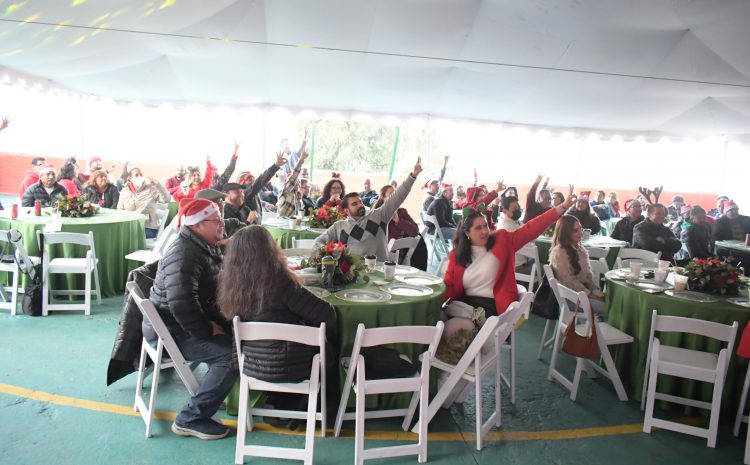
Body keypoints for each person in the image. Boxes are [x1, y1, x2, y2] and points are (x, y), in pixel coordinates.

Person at [147, 198, 237, 440]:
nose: (222, 223)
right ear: (197, 225)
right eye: (216, 219)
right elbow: (181, 303)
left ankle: (215, 392)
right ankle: (191, 418)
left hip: (179, 323)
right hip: (173, 331)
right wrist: (208, 329)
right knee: (232, 357)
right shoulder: (185, 253)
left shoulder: (199, 245)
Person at [218, 225, 336, 385]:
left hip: (251, 365)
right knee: (330, 341)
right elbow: (327, 314)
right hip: (293, 366)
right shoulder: (280, 282)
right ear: (269, 251)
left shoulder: (230, 285)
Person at [444, 185, 575, 317]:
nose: (484, 231)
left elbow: (532, 228)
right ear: (467, 232)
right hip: (463, 306)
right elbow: (449, 286)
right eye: (478, 228)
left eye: (485, 226)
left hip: (493, 308)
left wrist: (562, 207)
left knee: (456, 329)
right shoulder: (457, 255)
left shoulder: (502, 240)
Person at [313, 157, 423, 260]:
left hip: (379, 273)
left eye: (360, 202)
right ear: (346, 211)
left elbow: (398, 196)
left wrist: (413, 176)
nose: (360, 205)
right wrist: (328, 254)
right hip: (352, 274)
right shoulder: (339, 226)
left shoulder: (379, 215)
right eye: (354, 204)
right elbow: (318, 241)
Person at [549, 215, 605, 316]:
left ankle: (597, 330)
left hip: (582, 293)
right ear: (566, 232)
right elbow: (568, 281)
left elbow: (588, 276)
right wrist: (589, 294)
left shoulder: (580, 249)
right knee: (608, 309)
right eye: (576, 230)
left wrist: (595, 290)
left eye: (580, 229)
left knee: (611, 303)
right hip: (571, 298)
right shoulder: (559, 252)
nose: (580, 233)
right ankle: (597, 330)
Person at [373, 184, 427, 270]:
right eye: (391, 194)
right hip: (378, 256)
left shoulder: (402, 212)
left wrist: (399, 221)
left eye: (396, 194)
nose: (395, 197)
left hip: (398, 258)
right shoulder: (377, 213)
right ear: (383, 198)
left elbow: (415, 231)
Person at [117, 167, 171, 239]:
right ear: (130, 178)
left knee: (127, 236)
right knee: (117, 234)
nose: (139, 177)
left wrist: (158, 185)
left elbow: (167, 199)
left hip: (147, 227)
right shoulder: (124, 192)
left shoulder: (151, 189)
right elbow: (119, 210)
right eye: (136, 175)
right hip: (129, 226)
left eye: (141, 175)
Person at [240, 150, 288, 224]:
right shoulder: (245, 192)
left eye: (253, 179)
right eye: (249, 180)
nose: (252, 181)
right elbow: (260, 181)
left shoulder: (252, 194)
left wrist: (264, 204)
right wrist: (275, 166)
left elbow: (251, 201)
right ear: (242, 182)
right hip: (250, 229)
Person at [276, 149, 309, 218]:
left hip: (293, 225)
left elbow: (299, 215)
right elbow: (295, 174)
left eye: (299, 182)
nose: (297, 183)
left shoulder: (299, 196)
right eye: (295, 182)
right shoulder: (286, 191)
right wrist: (301, 159)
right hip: (281, 224)